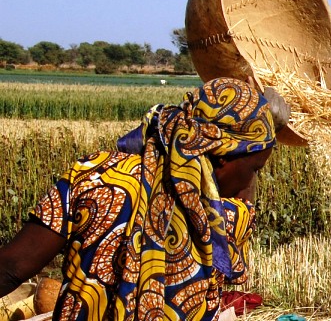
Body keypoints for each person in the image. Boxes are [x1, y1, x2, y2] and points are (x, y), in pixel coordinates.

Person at [0, 77, 302, 320]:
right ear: (222, 158)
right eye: (256, 169)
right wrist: (268, 124)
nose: (252, 180)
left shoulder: (95, 176)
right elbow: (243, 205)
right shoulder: (218, 219)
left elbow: (13, 266)